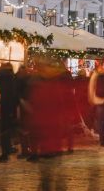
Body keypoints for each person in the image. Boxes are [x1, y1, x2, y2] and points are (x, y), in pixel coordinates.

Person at [26, 57, 72, 190]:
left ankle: (49, 185)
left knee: (48, 170)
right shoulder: (53, 85)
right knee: (52, 168)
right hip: (50, 131)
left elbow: (33, 106)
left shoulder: (37, 84)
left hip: (46, 131)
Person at [0, 62, 18, 162]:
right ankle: (7, 150)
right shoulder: (11, 77)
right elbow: (13, 92)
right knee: (8, 128)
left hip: (5, 102)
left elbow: (2, 90)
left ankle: (5, 153)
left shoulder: (1, 75)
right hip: (10, 104)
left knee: (4, 128)